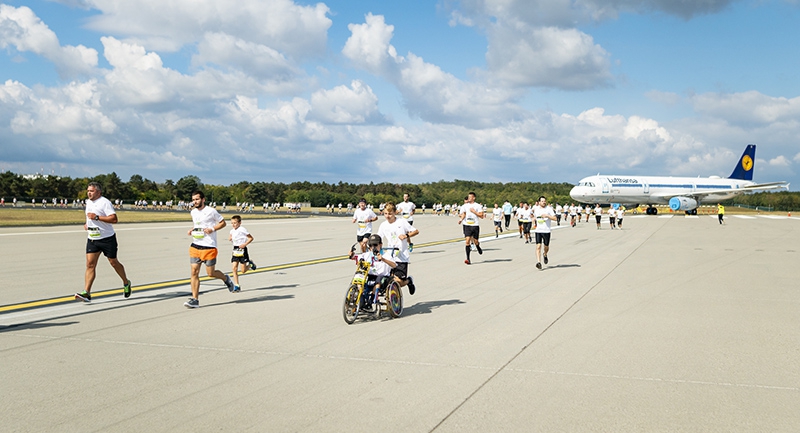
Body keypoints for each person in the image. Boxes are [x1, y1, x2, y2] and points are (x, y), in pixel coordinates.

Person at [74, 182, 131, 302]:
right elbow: (89, 217)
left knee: (114, 262)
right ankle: (86, 293)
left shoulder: (105, 202)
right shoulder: (88, 202)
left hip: (107, 239)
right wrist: (88, 224)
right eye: (88, 190)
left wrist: (96, 218)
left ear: (99, 192)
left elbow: (114, 219)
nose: (89, 193)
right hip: (93, 238)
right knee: (90, 264)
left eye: (92, 191)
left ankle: (126, 282)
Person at [185, 190, 235, 308]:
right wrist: (192, 230)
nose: (195, 202)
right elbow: (198, 225)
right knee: (194, 272)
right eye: (193, 200)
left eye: (197, 199)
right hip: (195, 245)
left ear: (203, 199)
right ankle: (195, 299)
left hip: (209, 247)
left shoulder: (211, 211)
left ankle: (225, 278)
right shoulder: (193, 212)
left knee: (210, 273)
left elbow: (223, 223)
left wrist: (212, 229)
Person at [377, 202, 418, 295]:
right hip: (390, 256)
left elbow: (416, 231)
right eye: (385, 214)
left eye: (390, 213)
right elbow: (378, 237)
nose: (387, 216)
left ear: (395, 212)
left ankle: (408, 281)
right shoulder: (383, 225)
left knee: (399, 281)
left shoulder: (401, 222)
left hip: (401, 256)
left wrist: (406, 235)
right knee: (388, 280)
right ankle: (392, 300)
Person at [353, 234, 397, 309]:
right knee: (358, 277)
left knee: (378, 280)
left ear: (380, 245)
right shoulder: (367, 254)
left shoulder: (386, 255)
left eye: (375, 245)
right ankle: (361, 299)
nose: (373, 248)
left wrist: (383, 259)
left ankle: (372, 299)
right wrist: (351, 256)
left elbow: (394, 265)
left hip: (383, 277)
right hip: (370, 275)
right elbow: (357, 257)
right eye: (370, 245)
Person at [229, 215, 257, 292]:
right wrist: (230, 238)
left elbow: (251, 238)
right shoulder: (232, 231)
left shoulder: (242, 229)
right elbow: (231, 237)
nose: (233, 225)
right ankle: (237, 285)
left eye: (235, 223)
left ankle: (250, 265)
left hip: (242, 250)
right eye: (232, 223)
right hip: (235, 250)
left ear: (240, 223)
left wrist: (245, 244)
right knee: (234, 268)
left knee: (243, 271)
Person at [458, 192, 484, 264]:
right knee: (467, 241)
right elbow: (464, 214)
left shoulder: (478, 206)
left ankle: (478, 247)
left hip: (475, 225)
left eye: (470, 197)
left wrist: (474, 212)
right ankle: (468, 259)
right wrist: (461, 220)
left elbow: (481, 216)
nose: (469, 198)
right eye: (468, 197)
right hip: (467, 225)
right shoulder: (465, 206)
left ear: (474, 198)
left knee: (475, 241)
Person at [533, 196, 557, 270]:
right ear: (539, 202)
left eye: (544, 201)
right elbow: (535, 218)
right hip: (538, 230)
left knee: (546, 247)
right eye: (542, 201)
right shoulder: (536, 210)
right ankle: (539, 262)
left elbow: (555, 218)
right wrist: (533, 221)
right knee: (538, 246)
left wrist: (547, 216)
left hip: (546, 231)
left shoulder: (549, 209)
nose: (544, 202)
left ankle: (545, 254)